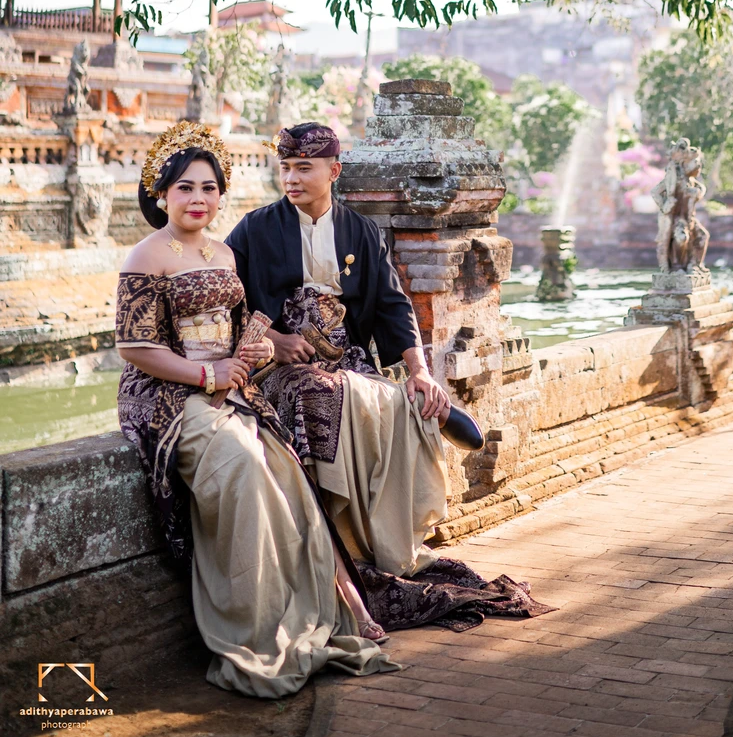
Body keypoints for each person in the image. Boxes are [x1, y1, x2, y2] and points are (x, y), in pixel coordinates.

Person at [228, 121, 552, 631]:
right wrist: (272, 339)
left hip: (348, 359)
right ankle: (334, 541)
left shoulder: (361, 231)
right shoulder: (254, 229)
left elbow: (393, 305)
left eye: (304, 168)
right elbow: (227, 301)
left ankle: (385, 541)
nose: (291, 178)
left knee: (400, 402)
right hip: (282, 367)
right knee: (320, 392)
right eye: (285, 168)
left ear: (334, 171)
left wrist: (420, 370)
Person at [116, 120, 398, 697]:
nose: (198, 198)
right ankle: (255, 626)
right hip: (171, 395)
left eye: (209, 188)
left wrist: (259, 349)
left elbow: (243, 328)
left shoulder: (223, 252)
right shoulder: (146, 255)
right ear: (162, 194)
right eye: (185, 188)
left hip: (233, 389)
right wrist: (207, 374)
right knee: (244, 467)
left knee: (288, 474)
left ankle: (315, 611)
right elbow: (134, 346)